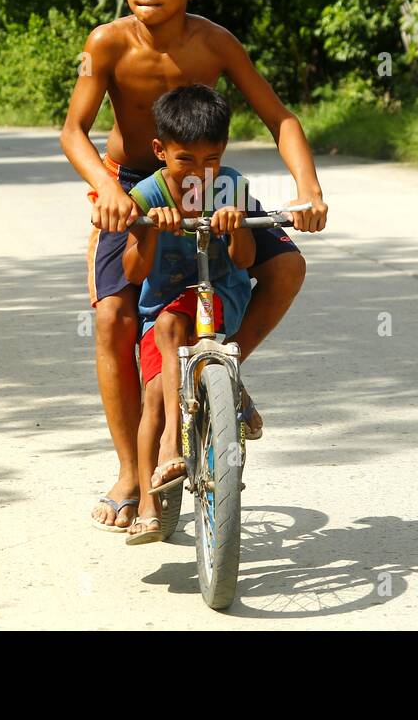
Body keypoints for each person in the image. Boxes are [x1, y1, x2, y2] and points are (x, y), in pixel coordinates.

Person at [59, 0, 328, 533]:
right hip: (135, 190)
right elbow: (74, 129)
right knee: (112, 316)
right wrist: (106, 190)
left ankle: (224, 368)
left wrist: (308, 189)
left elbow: (280, 118)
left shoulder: (215, 44)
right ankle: (130, 471)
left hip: (211, 185)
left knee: (287, 266)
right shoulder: (106, 43)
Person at [120, 85, 259, 544]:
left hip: (218, 298)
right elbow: (133, 270)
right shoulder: (146, 193)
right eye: (186, 160)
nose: (200, 172)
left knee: (171, 324)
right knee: (154, 396)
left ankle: (170, 446)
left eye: (211, 159)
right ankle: (146, 503)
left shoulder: (231, 185)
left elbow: (242, 261)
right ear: (161, 151)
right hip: (161, 307)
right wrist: (151, 232)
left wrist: (235, 224)